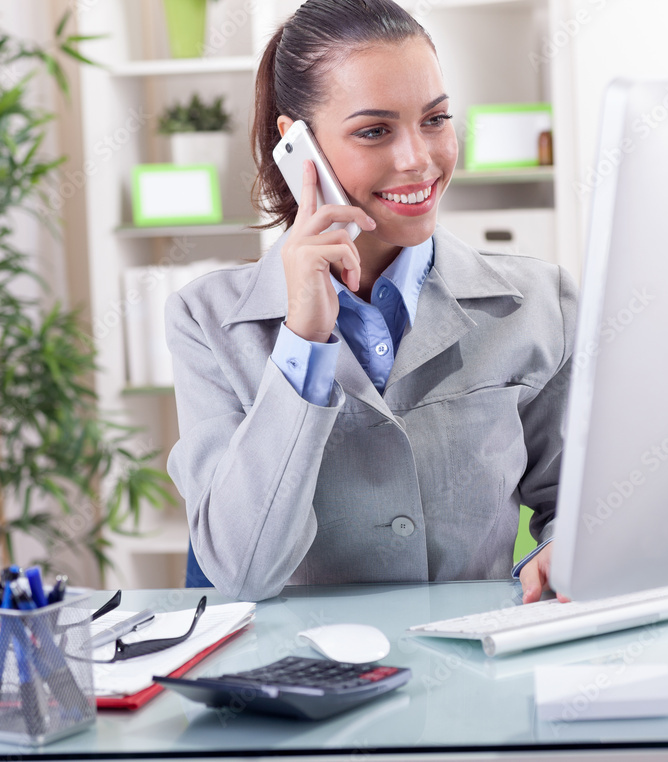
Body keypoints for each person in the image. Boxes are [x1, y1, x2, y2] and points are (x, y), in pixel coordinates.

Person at [165, 0, 575, 603]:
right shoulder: (207, 320)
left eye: (435, 120)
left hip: (472, 677)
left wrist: (563, 547)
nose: (417, 159)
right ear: (297, 143)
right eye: (374, 130)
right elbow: (240, 569)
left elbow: (581, 502)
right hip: (299, 683)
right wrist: (302, 342)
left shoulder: (540, 302)